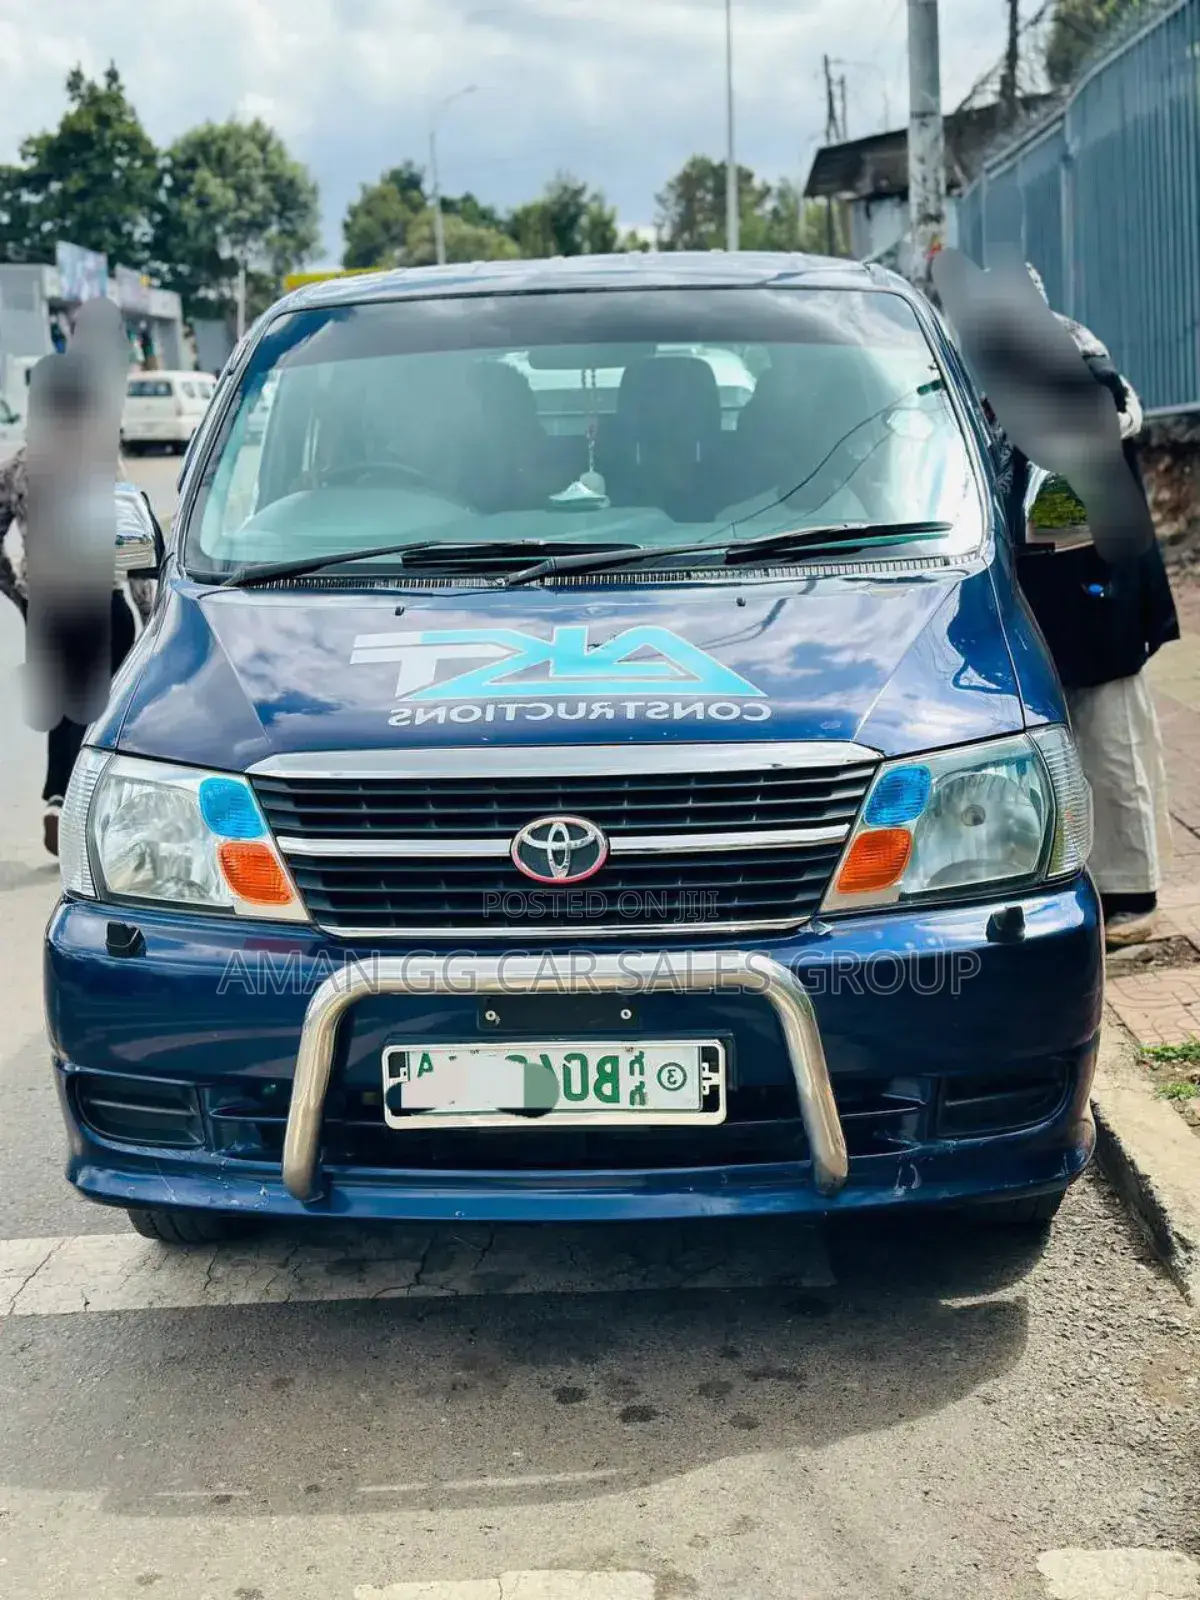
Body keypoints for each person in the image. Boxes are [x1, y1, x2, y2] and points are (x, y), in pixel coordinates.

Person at [1009, 266, 1179, 948]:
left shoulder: (1073, 364)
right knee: (1082, 741)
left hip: (1097, 586)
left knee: (1113, 740)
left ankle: (1132, 897)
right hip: (1068, 589)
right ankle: (1097, 881)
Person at [0, 315, 153, 856]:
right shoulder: (99, 461)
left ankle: (56, 798)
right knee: (108, 709)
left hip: (48, 602)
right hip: (101, 597)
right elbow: (134, 540)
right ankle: (99, 814)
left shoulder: (19, 467)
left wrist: (22, 597)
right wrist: (149, 608)